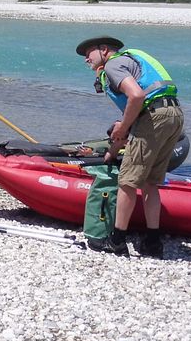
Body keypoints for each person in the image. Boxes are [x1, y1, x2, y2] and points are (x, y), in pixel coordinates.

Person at [76, 36, 184, 257]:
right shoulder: (131, 60)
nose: (86, 59)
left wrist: (123, 127)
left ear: (104, 50)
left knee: (127, 181)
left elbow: (136, 96)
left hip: (153, 117)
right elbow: (136, 111)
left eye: (89, 53)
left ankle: (117, 241)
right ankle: (153, 243)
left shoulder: (113, 65)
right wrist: (112, 151)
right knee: (150, 182)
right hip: (173, 114)